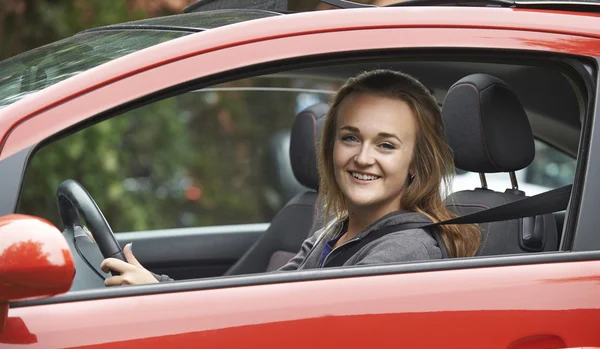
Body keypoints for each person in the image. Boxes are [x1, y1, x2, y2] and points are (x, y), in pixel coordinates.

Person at [101, 69, 480, 286]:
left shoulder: (405, 252)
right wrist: (158, 289)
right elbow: (258, 298)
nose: (363, 158)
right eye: (350, 138)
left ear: (415, 163)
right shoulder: (336, 230)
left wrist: (160, 296)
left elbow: (298, 335)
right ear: (330, 145)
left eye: (386, 145)